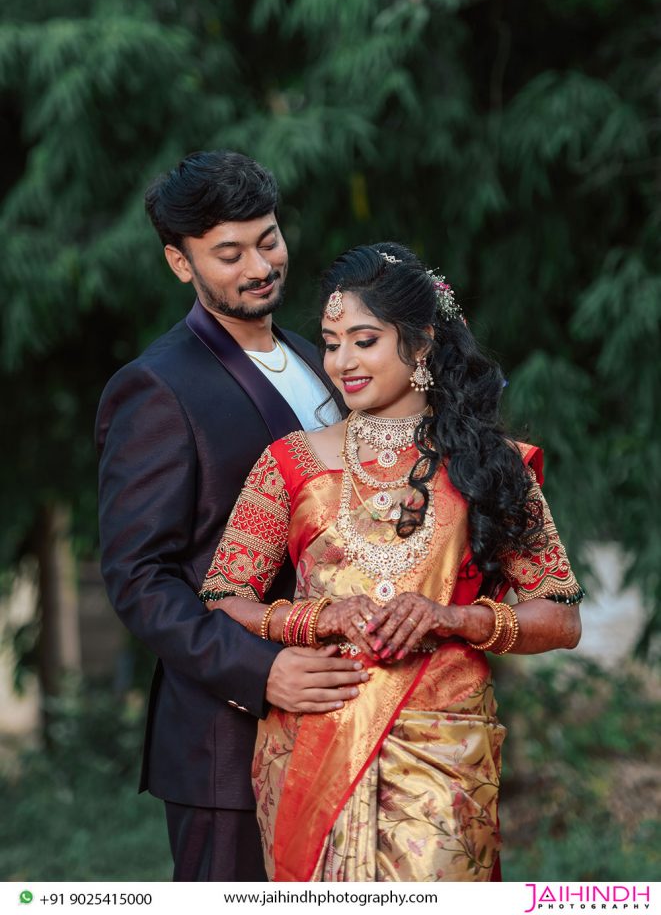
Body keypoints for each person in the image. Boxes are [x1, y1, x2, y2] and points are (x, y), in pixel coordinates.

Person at [198, 242, 584, 882]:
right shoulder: (291, 463)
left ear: (422, 343)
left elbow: (562, 617)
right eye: (330, 342)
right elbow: (222, 596)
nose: (342, 361)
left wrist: (452, 618)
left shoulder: (492, 465)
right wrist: (312, 619)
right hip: (310, 740)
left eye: (364, 340)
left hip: (442, 753)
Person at [95, 150, 369, 883]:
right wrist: (262, 671)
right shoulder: (156, 387)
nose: (259, 265)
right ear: (180, 264)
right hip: (225, 743)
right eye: (228, 253)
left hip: (347, 725)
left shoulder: (321, 360)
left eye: (268, 239)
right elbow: (138, 577)